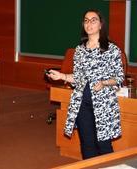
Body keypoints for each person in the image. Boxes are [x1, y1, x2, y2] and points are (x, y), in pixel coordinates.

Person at [47, 9, 124, 159]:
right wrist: (61, 76)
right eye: (86, 20)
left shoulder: (111, 49)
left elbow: (119, 77)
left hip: (103, 104)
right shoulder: (79, 50)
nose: (89, 23)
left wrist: (104, 82)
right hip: (82, 102)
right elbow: (78, 77)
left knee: (103, 145)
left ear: (101, 25)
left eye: (93, 20)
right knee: (87, 144)